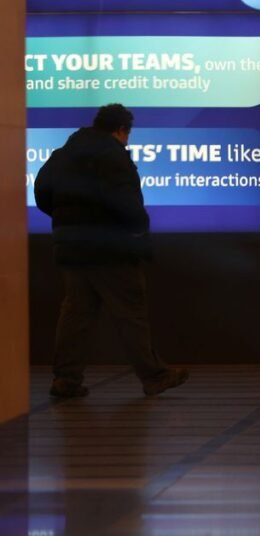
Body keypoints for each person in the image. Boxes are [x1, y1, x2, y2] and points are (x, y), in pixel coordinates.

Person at [34, 103, 189, 398]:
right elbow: (128, 204)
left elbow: (42, 192)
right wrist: (139, 231)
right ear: (121, 130)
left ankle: (66, 379)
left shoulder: (63, 155)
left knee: (76, 314)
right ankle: (154, 375)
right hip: (111, 248)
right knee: (131, 313)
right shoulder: (114, 156)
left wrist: (67, 219)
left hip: (71, 246)